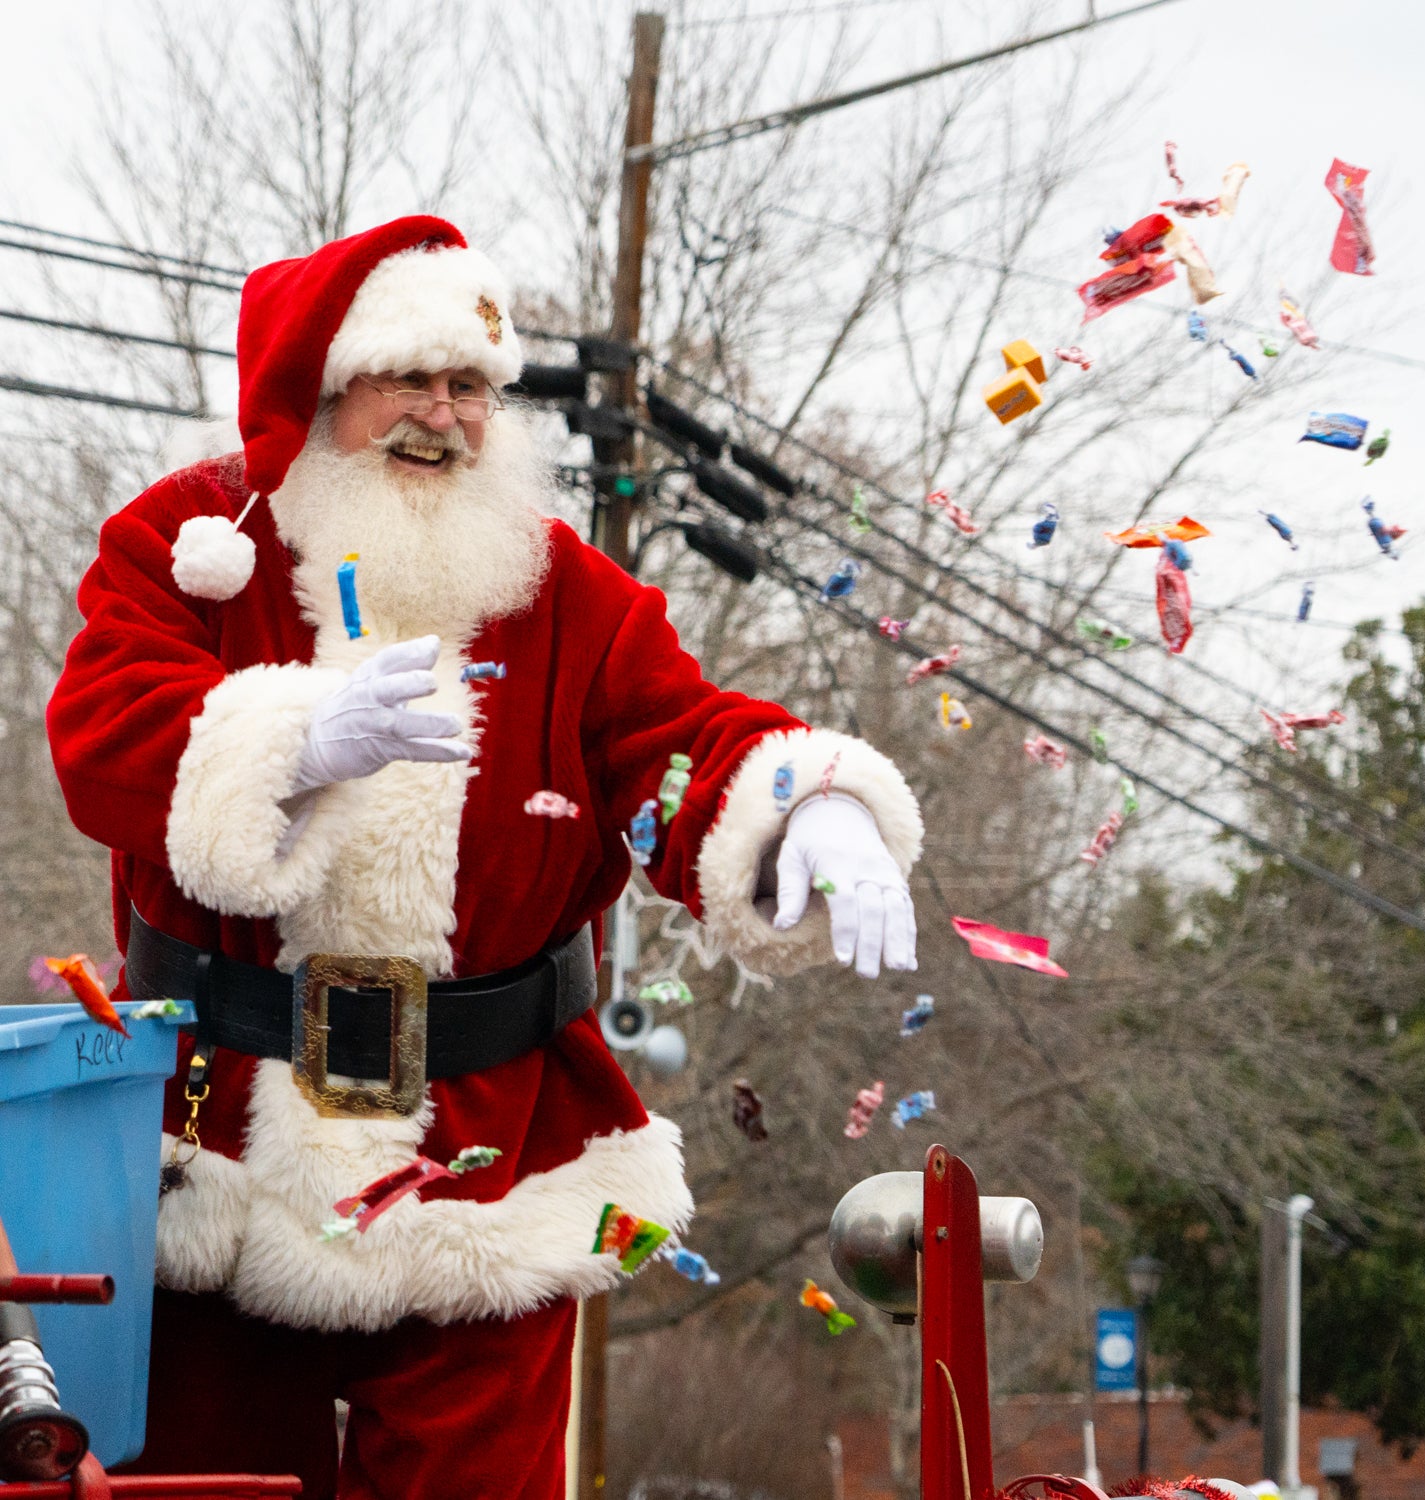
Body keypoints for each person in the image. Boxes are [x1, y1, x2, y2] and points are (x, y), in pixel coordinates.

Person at [45, 215, 923, 1500]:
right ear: (326, 388)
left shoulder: (558, 585)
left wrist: (805, 803)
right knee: (204, 1489)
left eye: (471, 387)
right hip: (217, 1137)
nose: (444, 417)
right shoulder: (190, 547)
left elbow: (677, 739)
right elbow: (98, 732)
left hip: (493, 1149)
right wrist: (285, 742)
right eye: (412, 378)